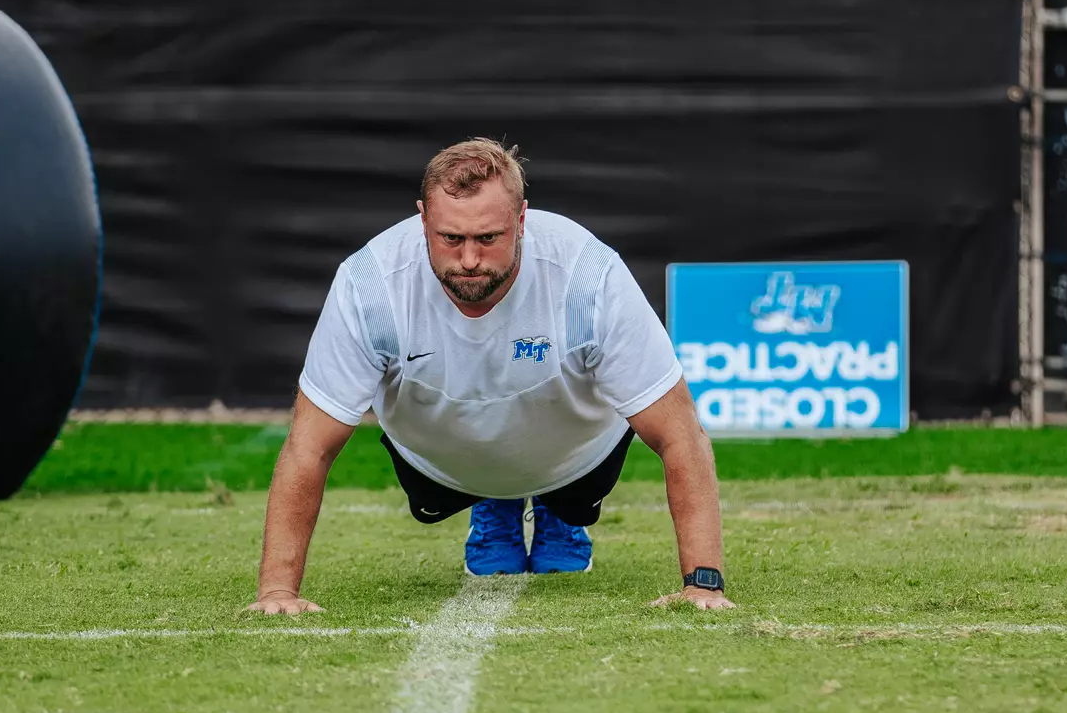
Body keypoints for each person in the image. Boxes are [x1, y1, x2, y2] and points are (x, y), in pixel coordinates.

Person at [247, 139, 734, 613]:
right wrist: (276, 593)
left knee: (575, 491)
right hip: (443, 466)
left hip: (575, 458)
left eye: (488, 238)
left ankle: (555, 511)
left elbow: (681, 433)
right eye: (450, 238)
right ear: (423, 219)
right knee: (451, 481)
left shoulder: (589, 274)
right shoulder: (370, 285)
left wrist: (703, 583)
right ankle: (493, 502)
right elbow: (309, 446)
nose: (469, 260)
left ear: (522, 221)